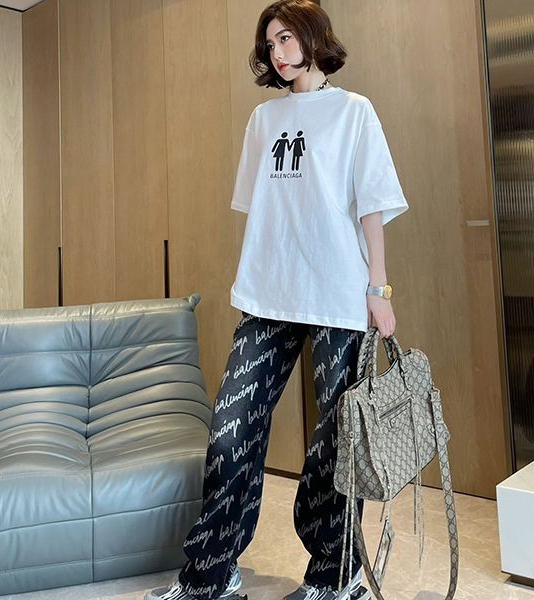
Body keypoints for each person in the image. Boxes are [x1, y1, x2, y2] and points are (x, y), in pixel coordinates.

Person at [145, 1, 409, 599]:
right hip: (269, 295)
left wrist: (379, 288)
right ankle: (210, 577)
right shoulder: (263, 120)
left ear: (313, 38)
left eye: (287, 38)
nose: (278, 52)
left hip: (338, 295)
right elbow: (263, 210)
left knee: (334, 445)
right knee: (230, 431)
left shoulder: (354, 112)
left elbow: (371, 204)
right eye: (270, 44)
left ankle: (337, 578)